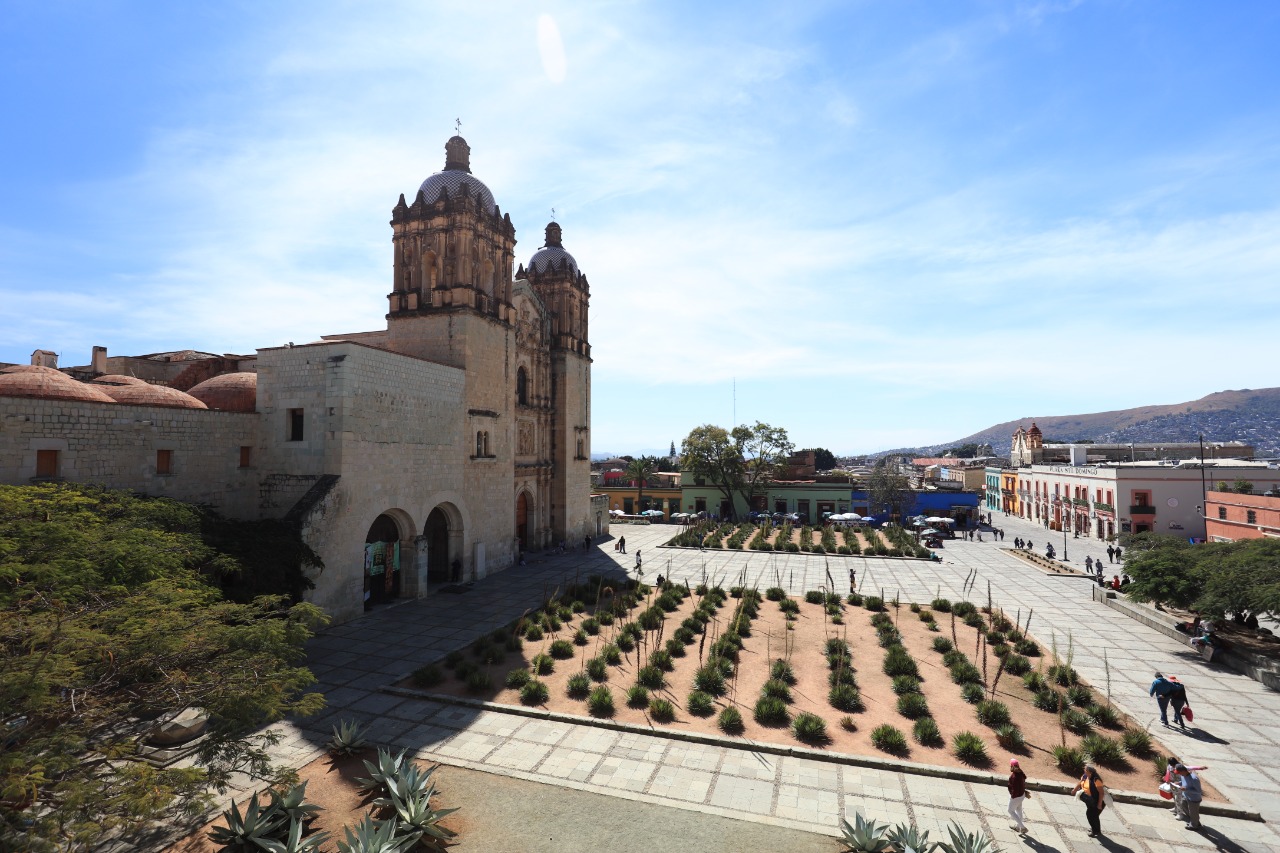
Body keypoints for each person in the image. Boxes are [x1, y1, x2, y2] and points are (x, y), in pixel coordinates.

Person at [1072, 765, 1107, 838]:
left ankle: (1096, 832)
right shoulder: (1085, 776)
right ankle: (1095, 829)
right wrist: (1075, 790)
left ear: (1090, 772)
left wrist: (1099, 804)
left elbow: (1101, 793)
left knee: (1091, 815)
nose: (1084, 770)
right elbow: (1080, 782)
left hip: (1098, 801)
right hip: (1090, 800)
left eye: (1085, 770)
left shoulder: (1096, 780)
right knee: (1093, 815)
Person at [1175, 764, 1204, 830]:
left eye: (1179, 772)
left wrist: (1186, 789)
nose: (1179, 774)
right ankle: (1195, 821)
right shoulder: (1183, 776)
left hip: (1194, 799)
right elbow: (1184, 782)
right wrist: (1179, 783)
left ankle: (1194, 826)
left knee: (1193, 812)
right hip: (1186, 796)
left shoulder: (1194, 779)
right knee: (1184, 806)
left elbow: (1198, 791)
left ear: (1183, 771)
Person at [1007, 758, 1029, 833]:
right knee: (1018, 810)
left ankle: (1022, 827)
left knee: (1010, 810)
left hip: (1016, 797)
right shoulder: (1020, 773)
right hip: (1022, 795)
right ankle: (1017, 826)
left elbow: (1015, 788)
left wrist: (1013, 797)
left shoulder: (1014, 777)